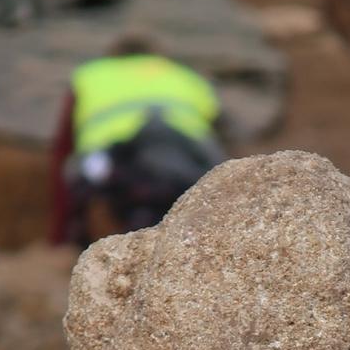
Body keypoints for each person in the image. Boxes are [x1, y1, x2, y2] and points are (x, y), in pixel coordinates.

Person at [48, 39, 225, 247]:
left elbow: (62, 151)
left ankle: (87, 248)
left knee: (85, 179)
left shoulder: (90, 74)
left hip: (115, 158)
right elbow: (218, 127)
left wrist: (58, 237)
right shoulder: (187, 76)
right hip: (185, 155)